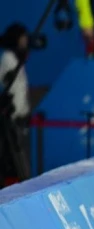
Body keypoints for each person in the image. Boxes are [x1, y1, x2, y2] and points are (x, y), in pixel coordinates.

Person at [0, 23, 31, 180]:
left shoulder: (18, 58)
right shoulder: (8, 58)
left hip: (21, 115)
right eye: (23, 38)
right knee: (14, 157)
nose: (25, 40)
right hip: (12, 118)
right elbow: (7, 82)